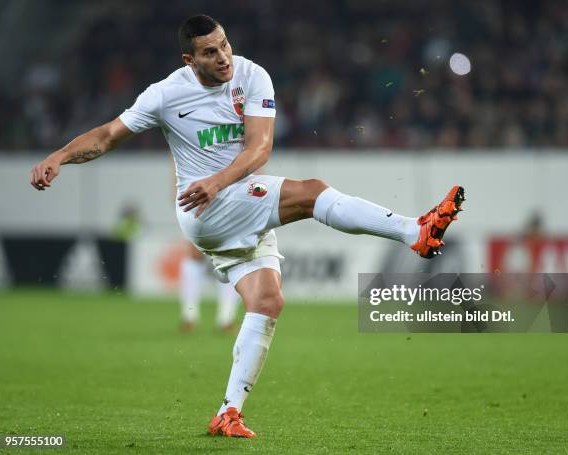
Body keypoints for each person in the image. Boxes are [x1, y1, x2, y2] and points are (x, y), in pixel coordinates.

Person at [29, 14, 465, 438]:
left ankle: (228, 412)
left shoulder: (252, 76)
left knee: (267, 301)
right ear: (189, 60)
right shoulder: (164, 95)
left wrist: (218, 182)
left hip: (233, 194)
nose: (223, 57)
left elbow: (260, 148)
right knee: (312, 192)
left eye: (224, 45)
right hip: (204, 211)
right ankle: (416, 231)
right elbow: (106, 136)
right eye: (209, 52)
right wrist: (58, 156)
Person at [179, 243, 239, 333]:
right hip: (201, 260)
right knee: (189, 266)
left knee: (232, 276)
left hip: (224, 260)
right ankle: (189, 318)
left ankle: (226, 320)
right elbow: (194, 252)